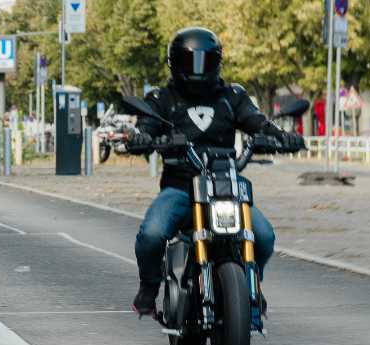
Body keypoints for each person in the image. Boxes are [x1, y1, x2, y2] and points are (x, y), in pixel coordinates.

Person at [126, 28, 302, 317]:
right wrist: (141, 137)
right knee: (152, 233)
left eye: (205, 62)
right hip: (181, 187)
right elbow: (146, 125)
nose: (198, 70)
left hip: (225, 187)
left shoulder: (231, 96)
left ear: (217, 62)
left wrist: (281, 136)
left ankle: (249, 282)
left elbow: (256, 122)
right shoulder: (163, 98)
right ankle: (149, 287)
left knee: (264, 235)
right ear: (174, 64)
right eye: (190, 62)